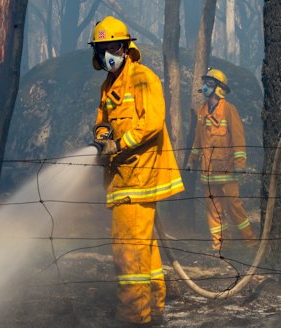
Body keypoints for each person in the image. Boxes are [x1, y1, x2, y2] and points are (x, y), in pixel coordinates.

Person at [89, 16, 185, 326]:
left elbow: (152, 122)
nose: (107, 55)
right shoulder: (109, 85)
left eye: (111, 47)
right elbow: (102, 119)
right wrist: (102, 134)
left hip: (139, 178)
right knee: (144, 249)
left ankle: (134, 315)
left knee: (127, 252)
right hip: (122, 179)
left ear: (126, 46)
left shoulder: (144, 78)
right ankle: (153, 309)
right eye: (102, 49)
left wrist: (119, 144)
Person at [186, 68, 258, 253]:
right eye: (205, 83)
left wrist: (240, 164)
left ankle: (250, 242)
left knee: (234, 207)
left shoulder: (229, 110)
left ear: (219, 88)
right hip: (208, 171)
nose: (205, 87)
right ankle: (221, 244)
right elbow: (197, 139)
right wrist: (192, 159)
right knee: (213, 209)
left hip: (227, 170)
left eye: (210, 84)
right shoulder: (202, 111)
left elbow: (238, 138)